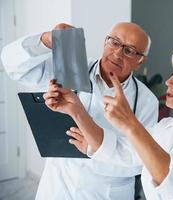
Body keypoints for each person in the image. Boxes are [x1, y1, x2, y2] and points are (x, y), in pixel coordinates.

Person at [44, 48, 173, 199]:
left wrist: (131, 124)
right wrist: (75, 110)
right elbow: (124, 152)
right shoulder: (166, 127)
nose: (168, 81)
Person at [1, 22, 159, 199]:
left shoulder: (146, 102)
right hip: (58, 186)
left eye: (129, 50)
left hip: (105, 192)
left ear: (140, 61)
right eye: (114, 42)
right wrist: (47, 40)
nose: (117, 53)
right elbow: (13, 66)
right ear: (105, 42)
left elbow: (140, 161)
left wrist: (95, 148)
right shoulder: (68, 71)